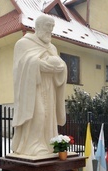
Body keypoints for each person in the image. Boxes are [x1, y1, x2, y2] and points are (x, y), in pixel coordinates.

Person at [12, 14, 67, 156]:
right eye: (48, 26)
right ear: (39, 27)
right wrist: (39, 65)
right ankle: (32, 145)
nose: (50, 30)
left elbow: (60, 64)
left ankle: (49, 144)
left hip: (49, 87)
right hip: (32, 86)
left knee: (49, 116)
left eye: (52, 27)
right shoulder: (23, 43)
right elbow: (18, 69)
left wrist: (61, 68)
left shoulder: (52, 47)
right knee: (39, 114)